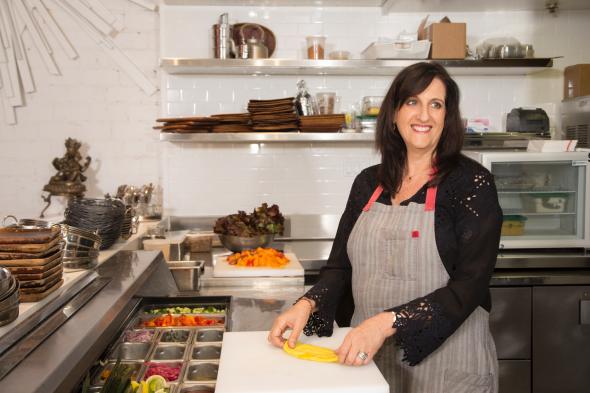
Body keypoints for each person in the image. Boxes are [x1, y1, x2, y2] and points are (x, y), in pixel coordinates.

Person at [268, 61, 502, 393]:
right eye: (412, 102)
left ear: (447, 118)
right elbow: (339, 267)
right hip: (370, 361)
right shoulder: (368, 182)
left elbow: (471, 285)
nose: (424, 115)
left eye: (435, 105)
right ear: (393, 113)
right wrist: (307, 305)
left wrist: (386, 322)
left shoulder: (470, 183)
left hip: (449, 366)